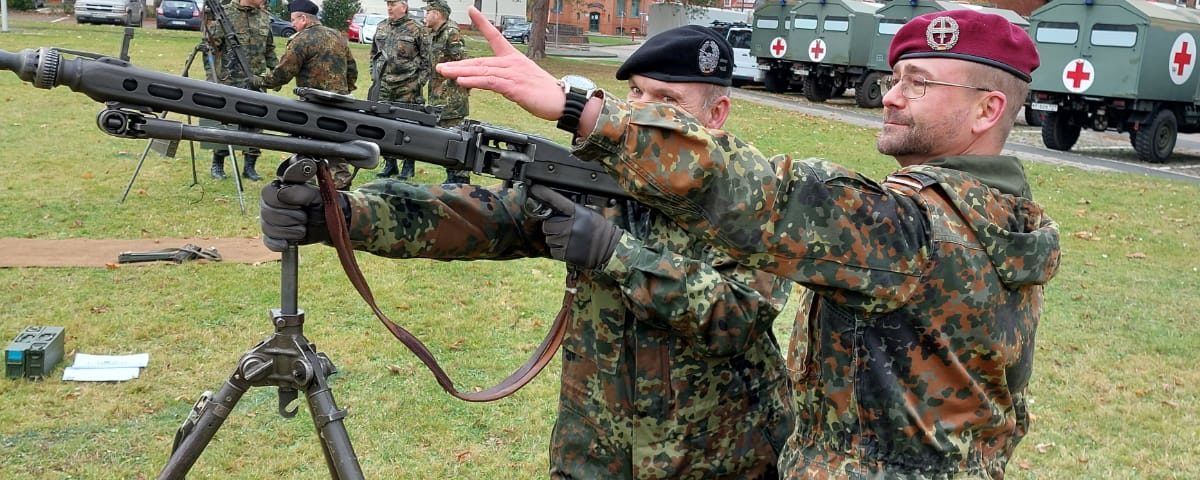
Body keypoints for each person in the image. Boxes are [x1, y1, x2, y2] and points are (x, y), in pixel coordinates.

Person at [436, 8, 1061, 479]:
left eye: (919, 84)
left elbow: (761, 196)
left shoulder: (916, 228)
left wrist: (584, 110)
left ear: (987, 111)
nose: (891, 97)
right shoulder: (995, 214)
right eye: (896, 78)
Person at [260, 25, 796, 479]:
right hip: (595, 452)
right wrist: (344, 216)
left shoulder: (753, 200)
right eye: (635, 95)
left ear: (718, 113)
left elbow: (737, 317)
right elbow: (483, 217)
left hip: (719, 457)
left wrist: (614, 253)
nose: (641, 113)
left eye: (668, 102)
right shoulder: (599, 179)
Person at [253, 0, 358, 189]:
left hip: (313, 103)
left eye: (293, 19)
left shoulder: (301, 39)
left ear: (303, 18)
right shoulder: (337, 36)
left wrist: (261, 81)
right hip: (339, 103)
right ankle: (342, 188)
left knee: (306, 144)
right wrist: (345, 91)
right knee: (336, 145)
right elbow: (352, 68)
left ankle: (303, 185)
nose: (292, 24)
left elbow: (284, 72)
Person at [205, 0, 277, 182]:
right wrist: (213, 77)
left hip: (255, 79)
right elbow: (211, 49)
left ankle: (250, 167)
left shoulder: (264, 17)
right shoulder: (225, 15)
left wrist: (275, 72)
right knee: (224, 123)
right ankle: (218, 164)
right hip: (229, 80)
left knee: (256, 123)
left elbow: (269, 48)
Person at [370, 0, 430, 180]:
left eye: (393, 4)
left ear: (403, 7)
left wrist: (417, 83)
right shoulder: (381, 27)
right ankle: (389, 164)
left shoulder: (418, 29)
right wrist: (374, 76)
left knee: (407, 128)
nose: (389, 7)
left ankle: (408, 166)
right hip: (384, 86)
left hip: (407, 87)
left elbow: (427, 61)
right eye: (388, 4)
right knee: (383, 125)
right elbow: (374, 54)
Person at [423, 0, 472, 184]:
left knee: (456, 138)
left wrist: (462, 89)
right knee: (446, 139)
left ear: (437, 13)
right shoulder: (435, 33)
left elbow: (463, 62)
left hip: (451, 97)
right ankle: (452, 176)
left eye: (427, 12)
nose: (425, 16)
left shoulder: (451, 33)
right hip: (439, 96)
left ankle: (460, 180)